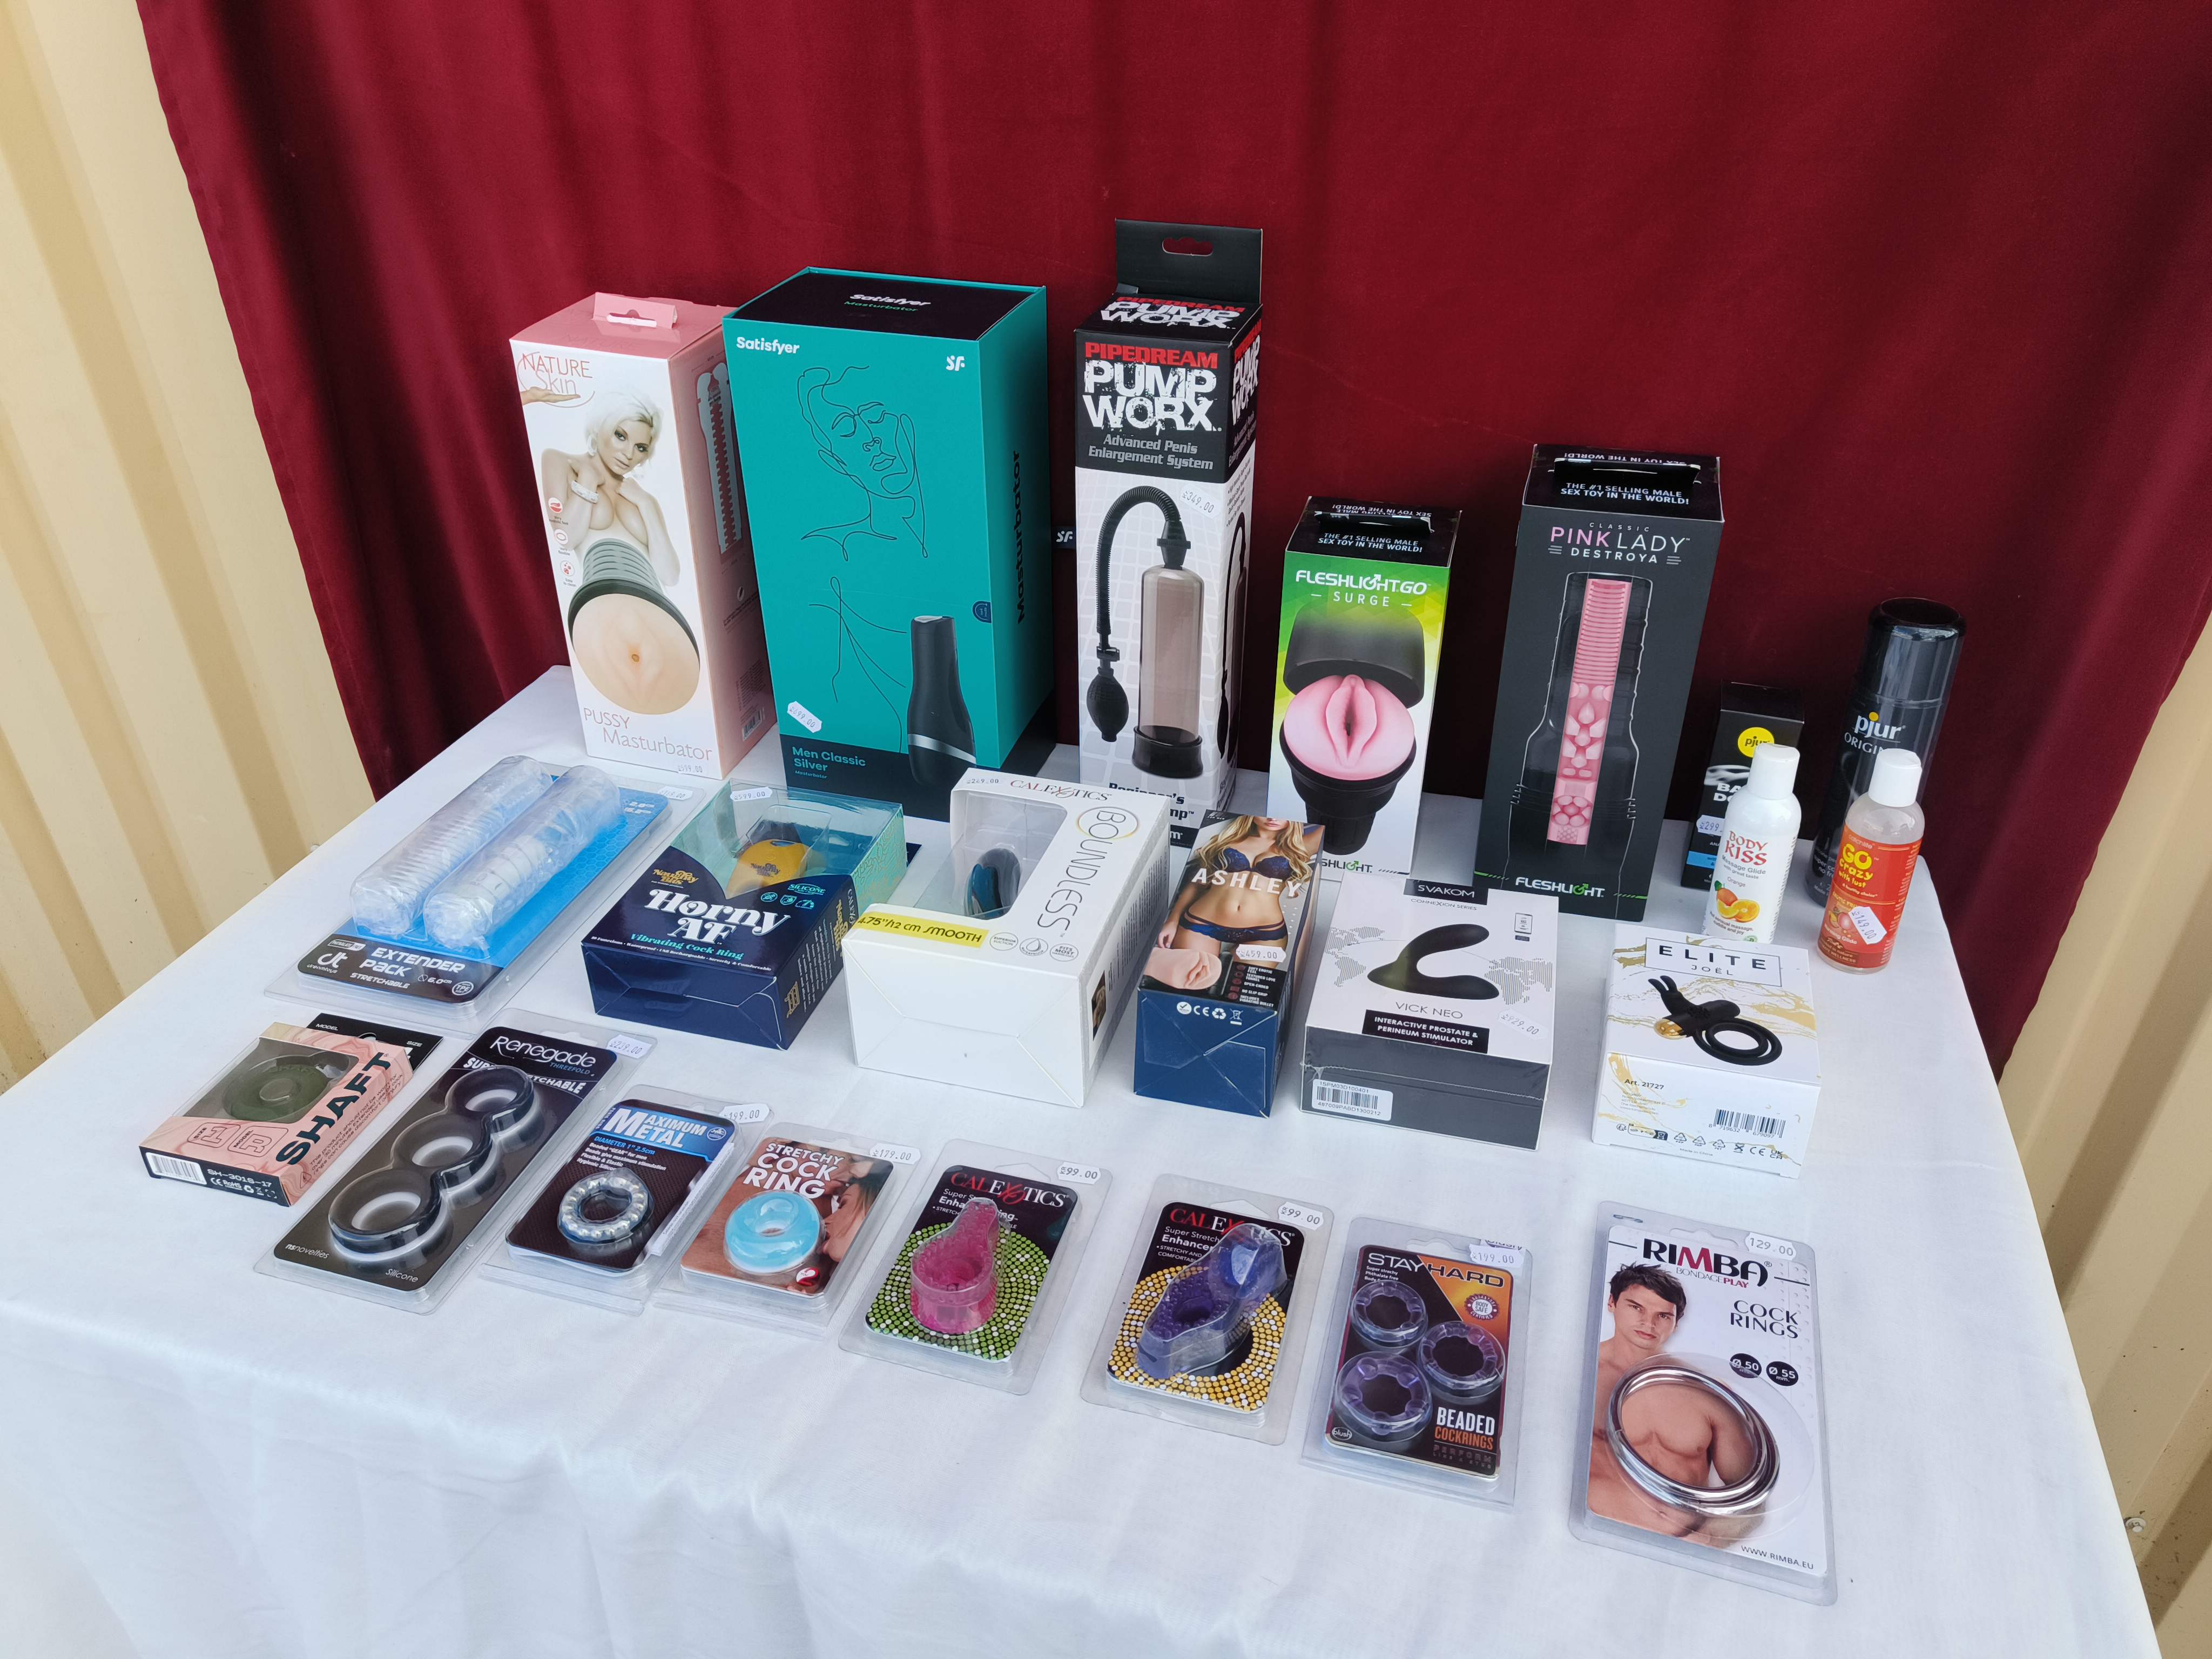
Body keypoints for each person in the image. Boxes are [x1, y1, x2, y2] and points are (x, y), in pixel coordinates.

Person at [1587, 1262, 1760, 1543]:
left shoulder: (1707, 1391)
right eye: (1636, 1308)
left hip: (1683, 1552)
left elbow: (1751, 1501)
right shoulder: (1581, 1372)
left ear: (1676, 1323)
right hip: (1597, 1540)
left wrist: (1707, 1542)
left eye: (1663, 1316)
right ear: (1612, 1303)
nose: (1649, 1323)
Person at [1144, 818, 1320, 992]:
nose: (1273, 818)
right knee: (1190, 986)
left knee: (1241, 992)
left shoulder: (1299, 847)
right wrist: (1173, 920)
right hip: (1201, 924)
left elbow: (1334, 821)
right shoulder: (1225, 840)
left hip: (1265, 933)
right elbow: (1197, 883)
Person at [797, 366, 927, 559]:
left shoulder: (962, 518)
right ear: (835, 461)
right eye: (846, 429)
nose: (871, 439)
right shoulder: (836, 549)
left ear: (905, 423)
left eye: (876, 416)